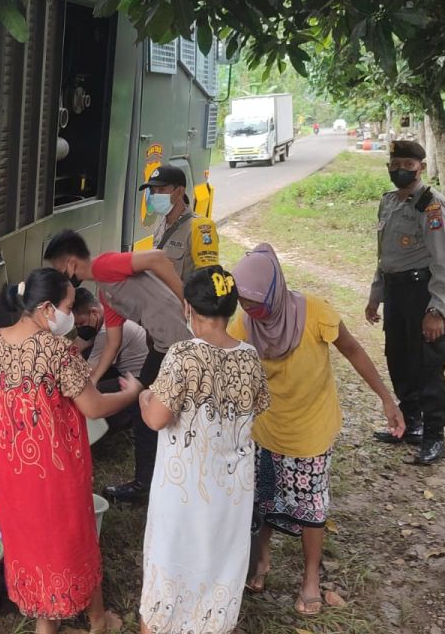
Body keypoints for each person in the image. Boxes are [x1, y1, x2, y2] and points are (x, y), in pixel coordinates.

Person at [232, 244, 404, 617]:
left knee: (311, 507)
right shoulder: (244, 323)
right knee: (261, 501)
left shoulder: (315, 313)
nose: (249, 309)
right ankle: (262, 561)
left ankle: (310, 578)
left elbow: (353, 350)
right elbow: (224, 358)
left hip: (310, 428)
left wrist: (386, 399)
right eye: (242, 301)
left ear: (274, 289)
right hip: (265, 428)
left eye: (254, 302)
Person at [0, 268, 142, 634]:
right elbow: (94, 407)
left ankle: (46, 623)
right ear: (48, 308)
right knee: (72, 537)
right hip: (54, 470)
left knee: (30, 541)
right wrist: (131, 395)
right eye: (68, 305)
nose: (71, 314)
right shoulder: (57, 351)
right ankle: (98, 621)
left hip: (9, 467)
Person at [138, 266, 270, 634]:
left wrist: (145, 396)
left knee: (170, 563)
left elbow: (156, 419)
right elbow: (255, 407)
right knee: (219, 567)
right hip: (230, 491)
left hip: (184, 492)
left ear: (187, 308)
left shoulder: (182, 355)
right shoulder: (249, 357)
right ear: (232, 311)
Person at [44, 229, 189, 503]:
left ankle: (146, 485)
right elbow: (112, 343)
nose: (60, 278)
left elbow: (157, 257)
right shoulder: (105, 291)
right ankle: (155, 479)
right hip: (160, 345)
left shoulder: (104, 265)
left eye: (58, 269)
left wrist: (185, 300)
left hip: (176, 342)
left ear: (71, 264)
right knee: (146, 402)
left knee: (144, 401)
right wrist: (92, 383)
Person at [365, 139, 445, 465]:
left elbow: (444, 262)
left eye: (408, 165)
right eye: (395, 164)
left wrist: (437, 310)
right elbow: (384, 255)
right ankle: (410, 422)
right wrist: (376, 296)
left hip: (422, 293)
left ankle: (434, 436)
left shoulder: (432, 206)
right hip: (396, 292)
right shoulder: (388, 202)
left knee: (428, 364)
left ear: (421, 167)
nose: (400, 170)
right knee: (398, 357)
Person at [73, 287, 150, 432]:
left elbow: (89, 372)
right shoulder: (99, 321)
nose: (79, 328)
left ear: (94, 312)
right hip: (126, 371)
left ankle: (124, 420)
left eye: (81, 323)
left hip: (140, 381)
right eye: (76, 325)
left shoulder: (107, 332)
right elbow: (75, 347)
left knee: (91, 393)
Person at [140, 164, 220, 281]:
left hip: (182, 298)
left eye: (161, 190)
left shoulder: (200, 227)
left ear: (180, 192)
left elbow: (208, 278)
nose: (155, 196)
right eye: (152, 191)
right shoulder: (161, 221)